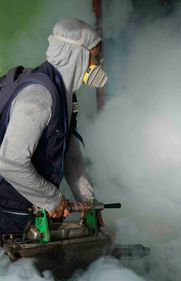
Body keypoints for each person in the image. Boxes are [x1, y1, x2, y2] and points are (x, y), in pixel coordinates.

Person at [0, 18, 107, 235]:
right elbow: (10, 163)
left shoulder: (64, 94)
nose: (98, 64)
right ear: (78, 55)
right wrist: (52, 198)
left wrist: (88, 202)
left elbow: (70, 153)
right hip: (8, 213)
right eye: (95, 57)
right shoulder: (39, 98)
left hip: (31, 210)